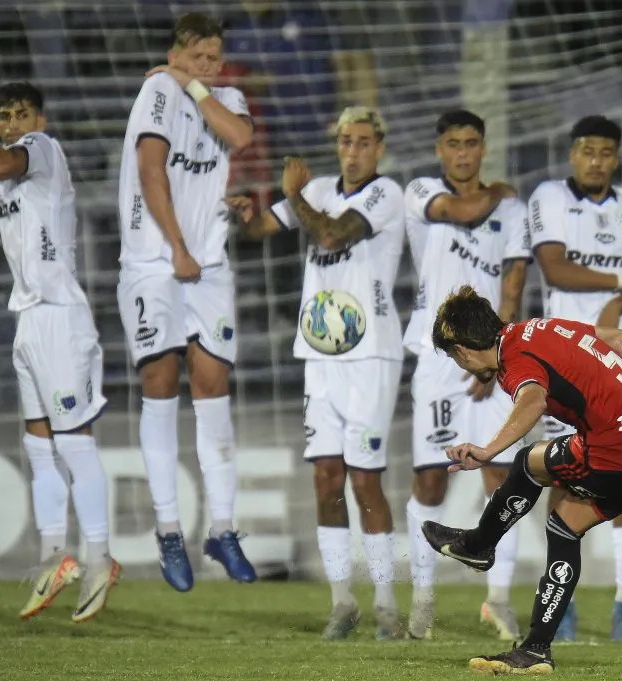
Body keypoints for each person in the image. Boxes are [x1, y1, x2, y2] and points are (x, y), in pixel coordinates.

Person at [421, 285, 622, 674]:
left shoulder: (514, 360)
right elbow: (618, 338)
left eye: (454, 358)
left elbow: (532, 400)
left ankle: (479, 545)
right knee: (564, 525)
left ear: (461, 350)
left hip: (619, 452)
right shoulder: (540, 329)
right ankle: (536, 650)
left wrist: (489, 450)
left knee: (529, 462)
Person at [0, 82, 119, 622]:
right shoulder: (11, 174)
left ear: (39, 119)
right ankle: (52, 559)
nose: (14, 122)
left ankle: (99, 558)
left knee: (72, 444)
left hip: (61, 318)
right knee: (39, 446)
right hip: (29, 320)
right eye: (4, 116)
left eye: (22, 114)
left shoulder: (43, 149)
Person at [232, 106, 407, 640]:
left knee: (365, 479)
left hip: (371, 354)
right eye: (344, 141)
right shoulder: (322, 188)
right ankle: (342, 603)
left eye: (361, 142)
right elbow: (265, 227)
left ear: (378, 146)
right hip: (320, 356)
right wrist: (246, 211)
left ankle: (386, 606)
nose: (352, 151)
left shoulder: (385, 195)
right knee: (325, 477)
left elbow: (331, 235)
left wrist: (295, 195)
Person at [116, 12, 256, 592]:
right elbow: (152, 172)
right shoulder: (156, 91)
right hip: (154, 264)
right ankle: (170, 529)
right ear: (175, 54)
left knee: (213, 382)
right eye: (196, 57)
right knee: (159, 380)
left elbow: (241, 138)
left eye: (213, 57)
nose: (208, 66)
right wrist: (176, 247)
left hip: (209, 264)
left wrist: (196, 84)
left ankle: (222, 529)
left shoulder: (222, 95)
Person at [528, 114, 622, 640]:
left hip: (619, 364)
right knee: (563, 476)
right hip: (563, 360)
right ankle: (561, 602)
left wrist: (618, 302)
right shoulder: (549, 198)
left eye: (606, 152)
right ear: (572, 155)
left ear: (616, 157)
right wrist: (621, 279)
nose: (596, 161)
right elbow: (555, 268)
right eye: (587, 151)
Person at [401, 109, 529, 640]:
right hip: (436, 358)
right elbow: (464, 207)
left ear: (483, 145)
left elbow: (514, 283)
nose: (462, 152)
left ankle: (497, 600)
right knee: (431, 478)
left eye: (472, 143)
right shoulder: (421, 192)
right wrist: (499, 192)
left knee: (502, 476)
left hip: (494, 357)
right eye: (453, 143)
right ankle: (423, 598)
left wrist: (494, 356)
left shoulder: (512, 209)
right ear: (439, 148)